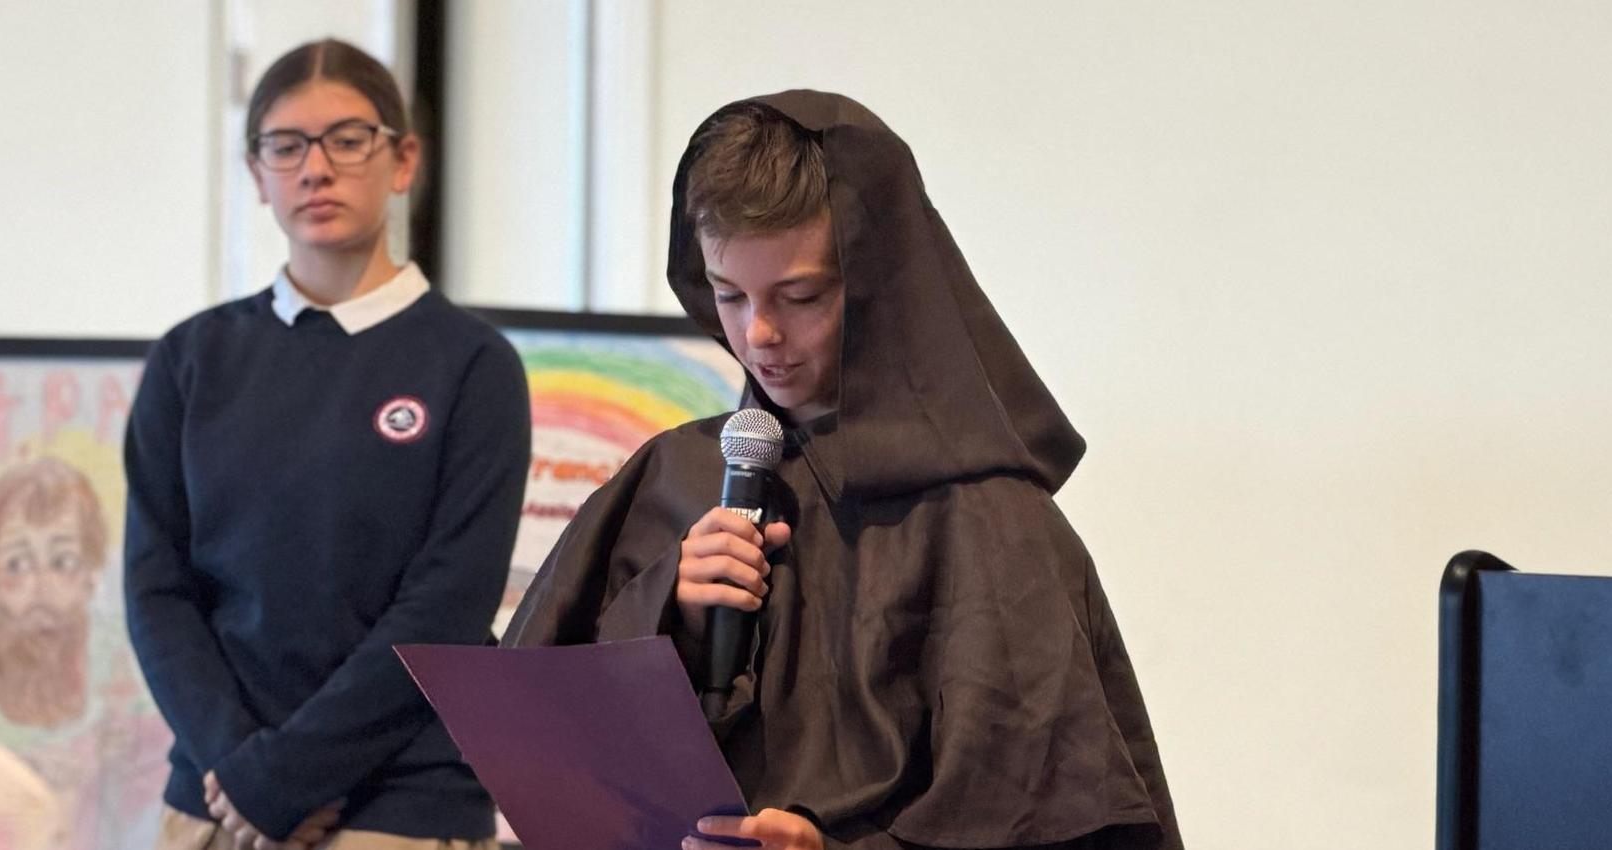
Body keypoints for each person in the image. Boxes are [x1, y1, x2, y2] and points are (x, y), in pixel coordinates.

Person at [504, 91, 1180, 850]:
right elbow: (538, 737)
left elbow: (1039, 818)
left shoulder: (991, 520)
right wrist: (668, 613)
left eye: (801, 296)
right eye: (729, 295)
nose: (759, 333)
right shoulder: (673, 476)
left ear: (882, 285)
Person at [124, 38, 529, 850]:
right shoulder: (192, 358)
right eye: (286, 146)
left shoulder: (473, 365)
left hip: (400, 805)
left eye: (347, 140)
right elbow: (157, 592)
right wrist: (246, 770)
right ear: (256, 173)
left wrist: (288, 775)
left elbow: (447, 607)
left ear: (403, 160)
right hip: (218, 798)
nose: (316, 168)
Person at [0, 456, 165, 848]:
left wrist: (111, 758)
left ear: (91, 576)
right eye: (17, 564)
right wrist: (14, 771)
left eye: (63, 561)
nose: (40, 585)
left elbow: (159, 762)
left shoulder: (120, 654)